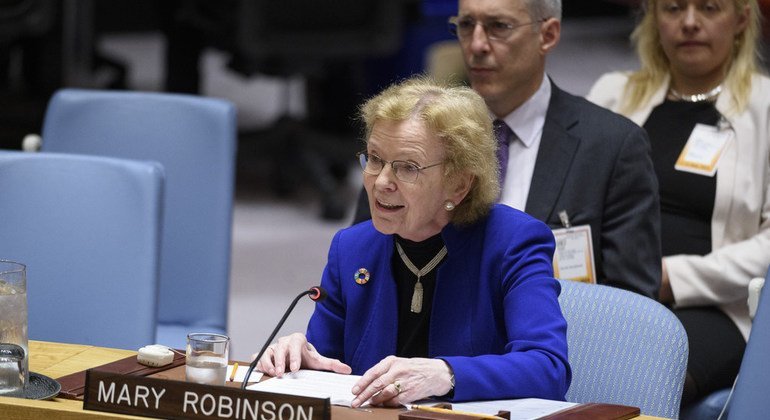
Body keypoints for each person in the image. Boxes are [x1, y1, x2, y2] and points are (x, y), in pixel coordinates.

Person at [257, 77, 571, 407]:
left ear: (459, 185)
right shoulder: (351, 249)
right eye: (375, 159)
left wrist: (447, 373)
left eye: (407, 167)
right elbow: (328, 365)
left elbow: (548, 367)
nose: (381, 182)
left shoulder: (512, 243)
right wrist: (299, 358)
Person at [352, 0, 662, 300]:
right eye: (466, 25)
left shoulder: (612, 146)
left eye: (498, 26)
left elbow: (632, 308)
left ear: (548, 34)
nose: (477, 45)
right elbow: (362, 265)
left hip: (555, 342)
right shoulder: (409, 135)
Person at [587, 0, 770, 407]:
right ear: (654, 18)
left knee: (642, 373)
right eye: (672, 9)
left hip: (717, 307)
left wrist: (669, 276)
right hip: (609, 296)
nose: (689, 23)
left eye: (709, 8)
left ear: (741, 18)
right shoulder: (613, 95)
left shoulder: (765, 107)